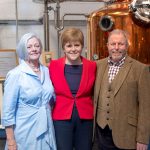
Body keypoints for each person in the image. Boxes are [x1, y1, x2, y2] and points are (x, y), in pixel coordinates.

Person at [93, 29, 150, 150]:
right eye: (113, 44)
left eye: (121, 44)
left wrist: (142, 139)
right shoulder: (98, 65)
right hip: (100, 133)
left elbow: (146, 107)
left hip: (126, 135)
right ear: (107, 45)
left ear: (127, 46)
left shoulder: (140, 69)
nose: (116, 47)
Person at [1, 33, 57, 150]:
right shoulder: (15, 74)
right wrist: (11, 141)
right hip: (25, 130)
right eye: (29, 47)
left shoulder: (46, 71)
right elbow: (8, 111)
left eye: (37, 46)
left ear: (40, 49)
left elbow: (51, 97)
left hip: (47, 128)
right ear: (23, 50)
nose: (34, 49)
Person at [49, 28, 96, 150]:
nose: (73, 49)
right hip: (61, 118)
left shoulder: (92, 66)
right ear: (63, 48)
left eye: (77, 45)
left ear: (82, 46)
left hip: (85, 117)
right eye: (69, 46)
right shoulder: (53, 66)